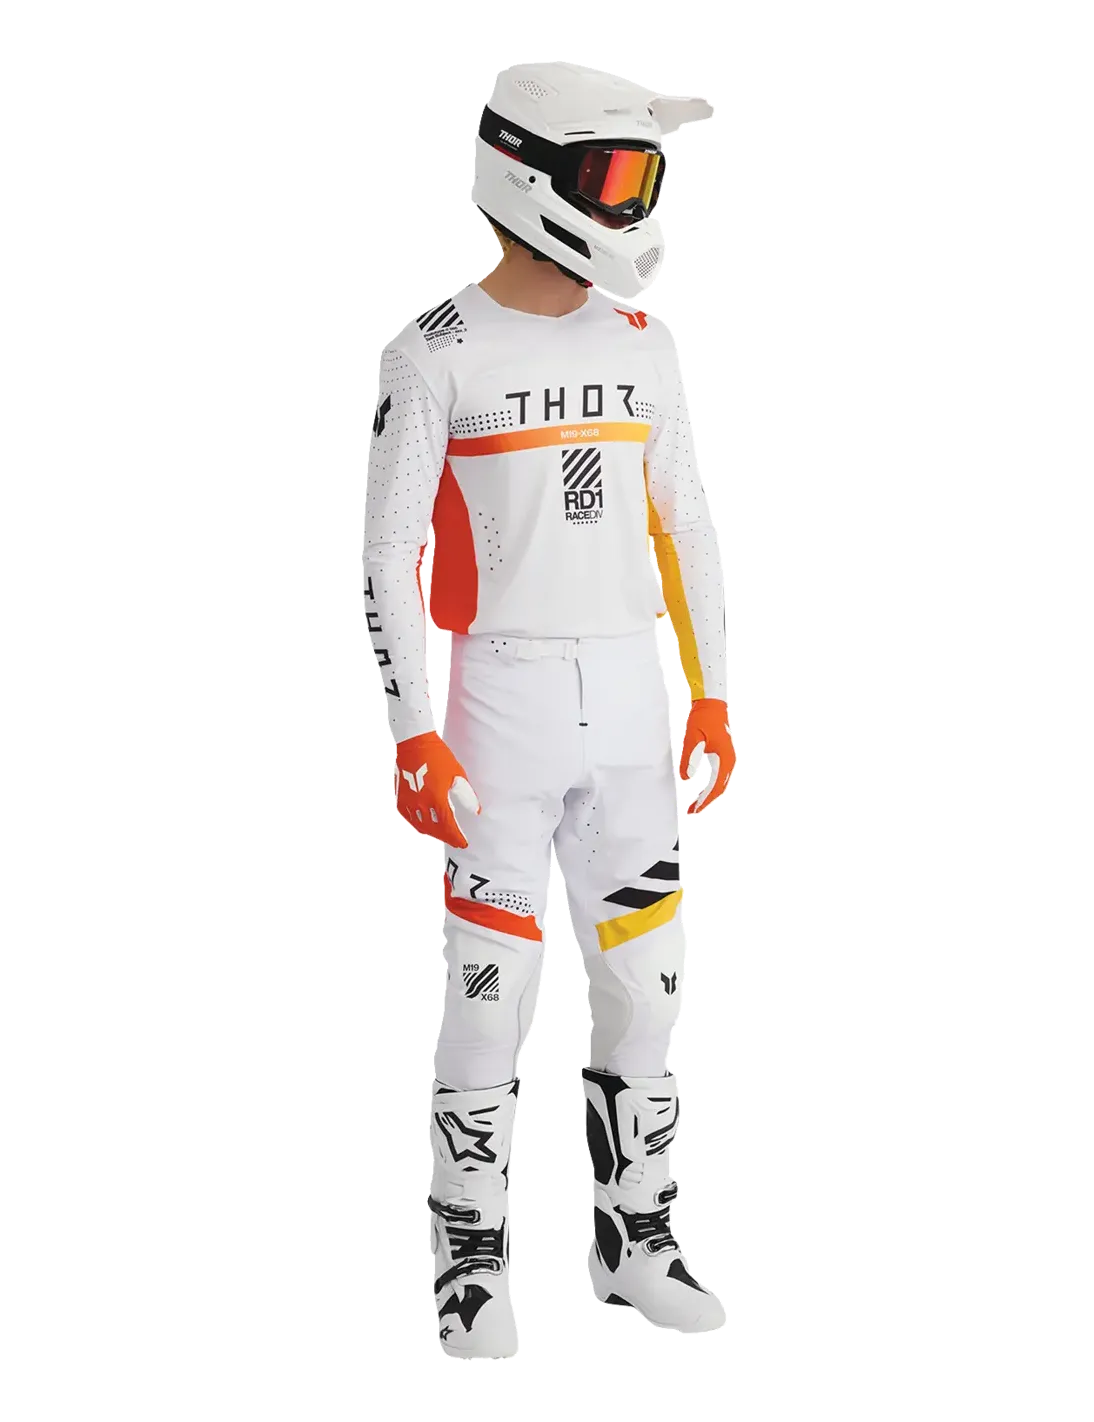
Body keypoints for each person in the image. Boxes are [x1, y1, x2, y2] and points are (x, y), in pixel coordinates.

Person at [362, 60, 734, 1359]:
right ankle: (467, 1263)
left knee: (646, 982)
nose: (638, 205)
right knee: (489, 991)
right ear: (529, 174)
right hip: (500, 709)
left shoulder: (645, 344)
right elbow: (386, 554)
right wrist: (410, 726)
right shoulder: (434, 350)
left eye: (649, 178)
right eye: (616, 177)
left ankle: (639, 1237)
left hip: (634, 705)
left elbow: (688, 527)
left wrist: (713, 696)